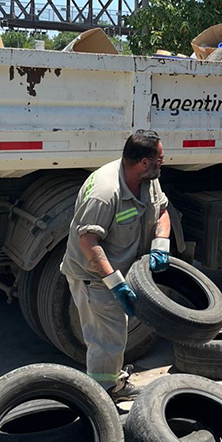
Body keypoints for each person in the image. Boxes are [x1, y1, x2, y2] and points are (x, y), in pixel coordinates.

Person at [61, 130, 171, 402]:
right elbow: (88, 241)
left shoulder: (147, 180)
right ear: (144, 162)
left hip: (118, 269)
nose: (163, 162)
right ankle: (101, 400)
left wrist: (161, 244)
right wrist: (115, 284)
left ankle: (112, 385)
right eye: (160, 157)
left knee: (114, 335)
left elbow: (162, 211)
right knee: (105, 340)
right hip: (94, 277)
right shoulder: (105, 192)